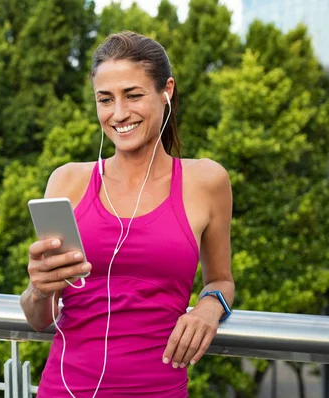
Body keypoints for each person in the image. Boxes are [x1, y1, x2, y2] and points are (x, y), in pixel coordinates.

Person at [20, 31, 235, 397]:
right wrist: (38, 290)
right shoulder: (67, 181)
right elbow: (40, 319)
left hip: (158, 389)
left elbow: (220, 280)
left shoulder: (206, 181)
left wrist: (208, 309)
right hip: (64, 388)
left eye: (133, 95)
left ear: (166, 90)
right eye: (106, 100)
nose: (119, 114)